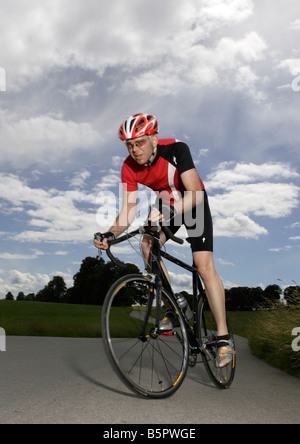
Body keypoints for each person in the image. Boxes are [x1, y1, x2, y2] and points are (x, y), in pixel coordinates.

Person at [94, 113, 234, 368]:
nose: (135, 150)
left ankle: (224, 338)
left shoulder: (177, 149)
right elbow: (128, 211)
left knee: (203, 266)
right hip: (165, 204)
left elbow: (194, 192)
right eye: (129, 145)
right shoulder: (128, 166)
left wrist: (170, 210)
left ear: (154, 139)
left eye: (140, 143)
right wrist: (109, 234)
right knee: (147, 244)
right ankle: (173, 306)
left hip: (193, 202)